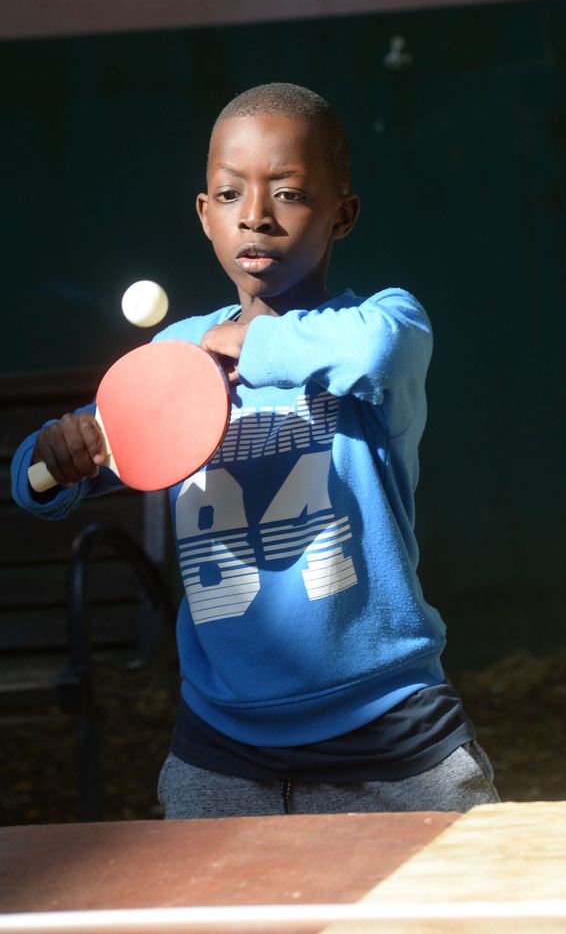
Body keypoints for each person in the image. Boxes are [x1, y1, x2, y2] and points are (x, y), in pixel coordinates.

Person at [11, 82, 498, 818]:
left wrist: (250, 344)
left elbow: (381, 349)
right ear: (206, 215)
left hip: (391, 730)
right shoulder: (177, 353)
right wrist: (55, 458)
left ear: (344, 214)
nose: (258, 216)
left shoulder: (379, 323)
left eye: (291, 193)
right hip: (224, 745)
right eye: (231, 194)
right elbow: (40, 478)